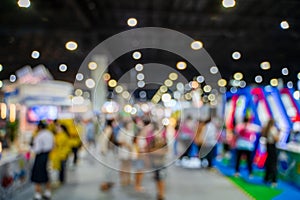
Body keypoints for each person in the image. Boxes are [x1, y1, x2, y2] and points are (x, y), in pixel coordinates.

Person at [31, 121, 54, 200]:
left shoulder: (39, 135)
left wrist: (31, 150)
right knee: (46, 174)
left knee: (37, 175)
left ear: (39, 127)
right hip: (48, 155)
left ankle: (38, 194)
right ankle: (48, 192)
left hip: (40, 156)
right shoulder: (50, 134)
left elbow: (37, 149)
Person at [148, 122, 168, 200]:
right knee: (157, 179)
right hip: (155, 163)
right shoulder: (153, 141)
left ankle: (161, 194)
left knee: (161, 179)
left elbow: (165, 151)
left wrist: (156, 152)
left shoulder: (164, 141)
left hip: (161, 164)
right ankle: (159, 193)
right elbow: (150, 151)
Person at [262, 119, 279, 187]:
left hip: (268, 146)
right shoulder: (273, 129)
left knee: (268, 162)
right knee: (273, 164)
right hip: (272, 146)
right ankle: (273, 180)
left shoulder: (267, 129)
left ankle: (266, 178)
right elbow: (276, 139)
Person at [117, 121, 134, 186]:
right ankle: (122, 179)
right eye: (129, 124)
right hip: (123, 150)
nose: (130, 126)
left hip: (130, 150)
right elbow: (119, 141)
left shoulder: (131, 131)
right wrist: (127, 145)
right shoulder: (122, 131)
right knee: (123, 165)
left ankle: (128, 179)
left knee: (129, 165)